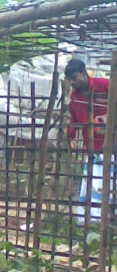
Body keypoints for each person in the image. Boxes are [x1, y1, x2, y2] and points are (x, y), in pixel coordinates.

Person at [65, 58, 110, 223]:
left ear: (84, 73)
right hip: (93, 147)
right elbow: (75, 118)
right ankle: (92, 221)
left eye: (75, 78)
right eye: (70, 80)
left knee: (110, 184)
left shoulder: (104, 85)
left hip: (112, 144)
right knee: (94, 183)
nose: (72, 82)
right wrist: (71, 133)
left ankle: (108, 219)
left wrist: (107, 117)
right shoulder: (75, 96)